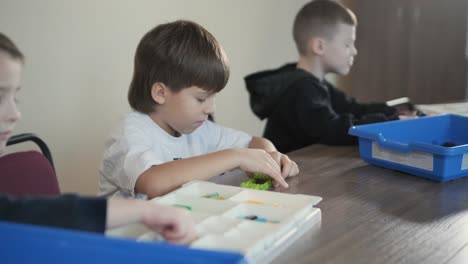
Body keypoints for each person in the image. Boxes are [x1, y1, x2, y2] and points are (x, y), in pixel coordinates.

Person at [0, 32, 195, 243]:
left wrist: (143, 210)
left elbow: (29, 213)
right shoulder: (130, 130)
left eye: (15, 97)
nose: (15, 114)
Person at [99, 20, 299, 199]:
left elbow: (254, 143)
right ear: (161, 93)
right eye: (201, 98)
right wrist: (236, 156)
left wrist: (270, 157)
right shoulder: (130, 132)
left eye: (213, 97)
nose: (211, 108)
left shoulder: (198, 129)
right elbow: (152, 184)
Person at [245, 0, 416, 153]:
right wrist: (388, 124)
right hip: (281, 181)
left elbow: (353, 107)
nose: (354, 51)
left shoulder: (315, 83)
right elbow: (332, 129)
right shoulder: (301, 88)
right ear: (319, 46)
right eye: (347, 44)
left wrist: (394, 113)